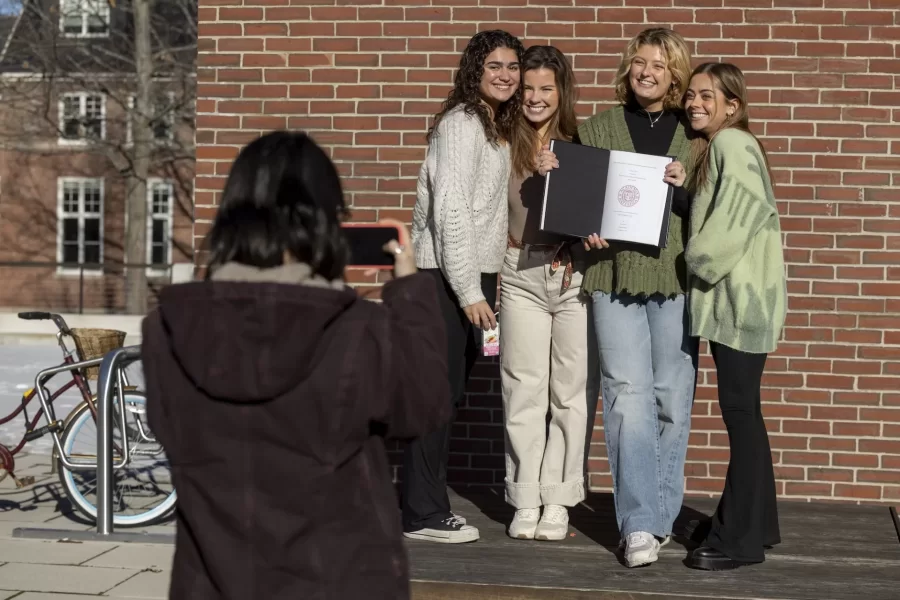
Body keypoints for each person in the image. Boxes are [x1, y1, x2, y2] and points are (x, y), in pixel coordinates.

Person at [141, 131, 451, 599]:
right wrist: (407, 289)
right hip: (339, 579)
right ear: (325, 218)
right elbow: (423, 408)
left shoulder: (167, 328)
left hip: (211, 582)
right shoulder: (354, 328)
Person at [537, 28, 697, 567]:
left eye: (659, 64)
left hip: (674, 279)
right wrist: (582, 225)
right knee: (627, 395)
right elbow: (577, 197)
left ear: (675, 74)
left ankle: (662, 513)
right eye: (639, 62)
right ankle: (638, 526)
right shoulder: (599, 127)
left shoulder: (695, 135)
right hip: (612, 275)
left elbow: (710, 211)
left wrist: (688, 188)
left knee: (671, 399)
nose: (647, 71)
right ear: (628, 67)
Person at [405, 29, 525, 545]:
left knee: (447, 395)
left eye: (513, 67)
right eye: (494, 65)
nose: (505, 74)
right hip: (448, 280)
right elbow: (448, 208)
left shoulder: (491, 125)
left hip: (470, 274)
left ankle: (422, 507)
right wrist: (469, 290)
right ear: (474, 69)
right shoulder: (461, 124)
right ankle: (423, 514)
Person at [682, 62, 786, 571]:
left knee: (740, 415)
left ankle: (740, 541)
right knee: (748, 415)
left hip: (740, 304)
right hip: (745, 304)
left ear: (732, 105)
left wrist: (695, 259)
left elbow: (738, 213)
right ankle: (758, 523)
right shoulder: (725, 147)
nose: (695, 103)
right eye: (692, 96)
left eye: (707, 96)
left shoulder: (731, 144)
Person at [501, 45, 598, 542]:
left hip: (570, 275)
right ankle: (525, 497)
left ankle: (558, 499)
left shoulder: (582, 141)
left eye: (546, 89)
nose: (535, 98)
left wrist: (594, 235)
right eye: (529, 89)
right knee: (523, 387)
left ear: (562, 93)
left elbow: (595, 211)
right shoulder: (501, 138)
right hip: (519, 272)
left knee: (570, 392)